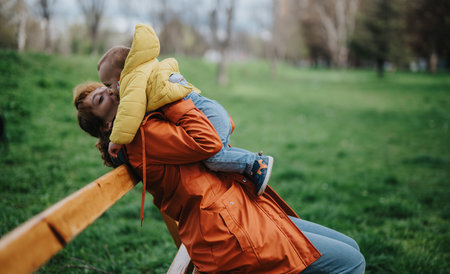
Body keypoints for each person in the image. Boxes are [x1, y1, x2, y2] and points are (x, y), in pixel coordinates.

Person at [73, 82, 366, 273]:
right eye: (102, 97)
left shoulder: (144, 126)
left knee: (350, 248)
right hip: (228, 234)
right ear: (107, 124)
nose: (112, 92)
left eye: (107, 87)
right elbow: (210, 142)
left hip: (238, 214)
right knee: (352, 263)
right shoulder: (142, 136)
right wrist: (172, 94)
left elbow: (225, 126)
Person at [97, 24, 272, 197]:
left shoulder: (132, 80)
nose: (110, 90)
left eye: (108, 84)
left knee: (212, 159)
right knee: (220, 153)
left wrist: (117, 140)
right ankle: (255, 162)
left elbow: (130, 111)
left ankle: (254, 164)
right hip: (208, 108)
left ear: (120, 77)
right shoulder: (147, 67)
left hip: (204, 112)